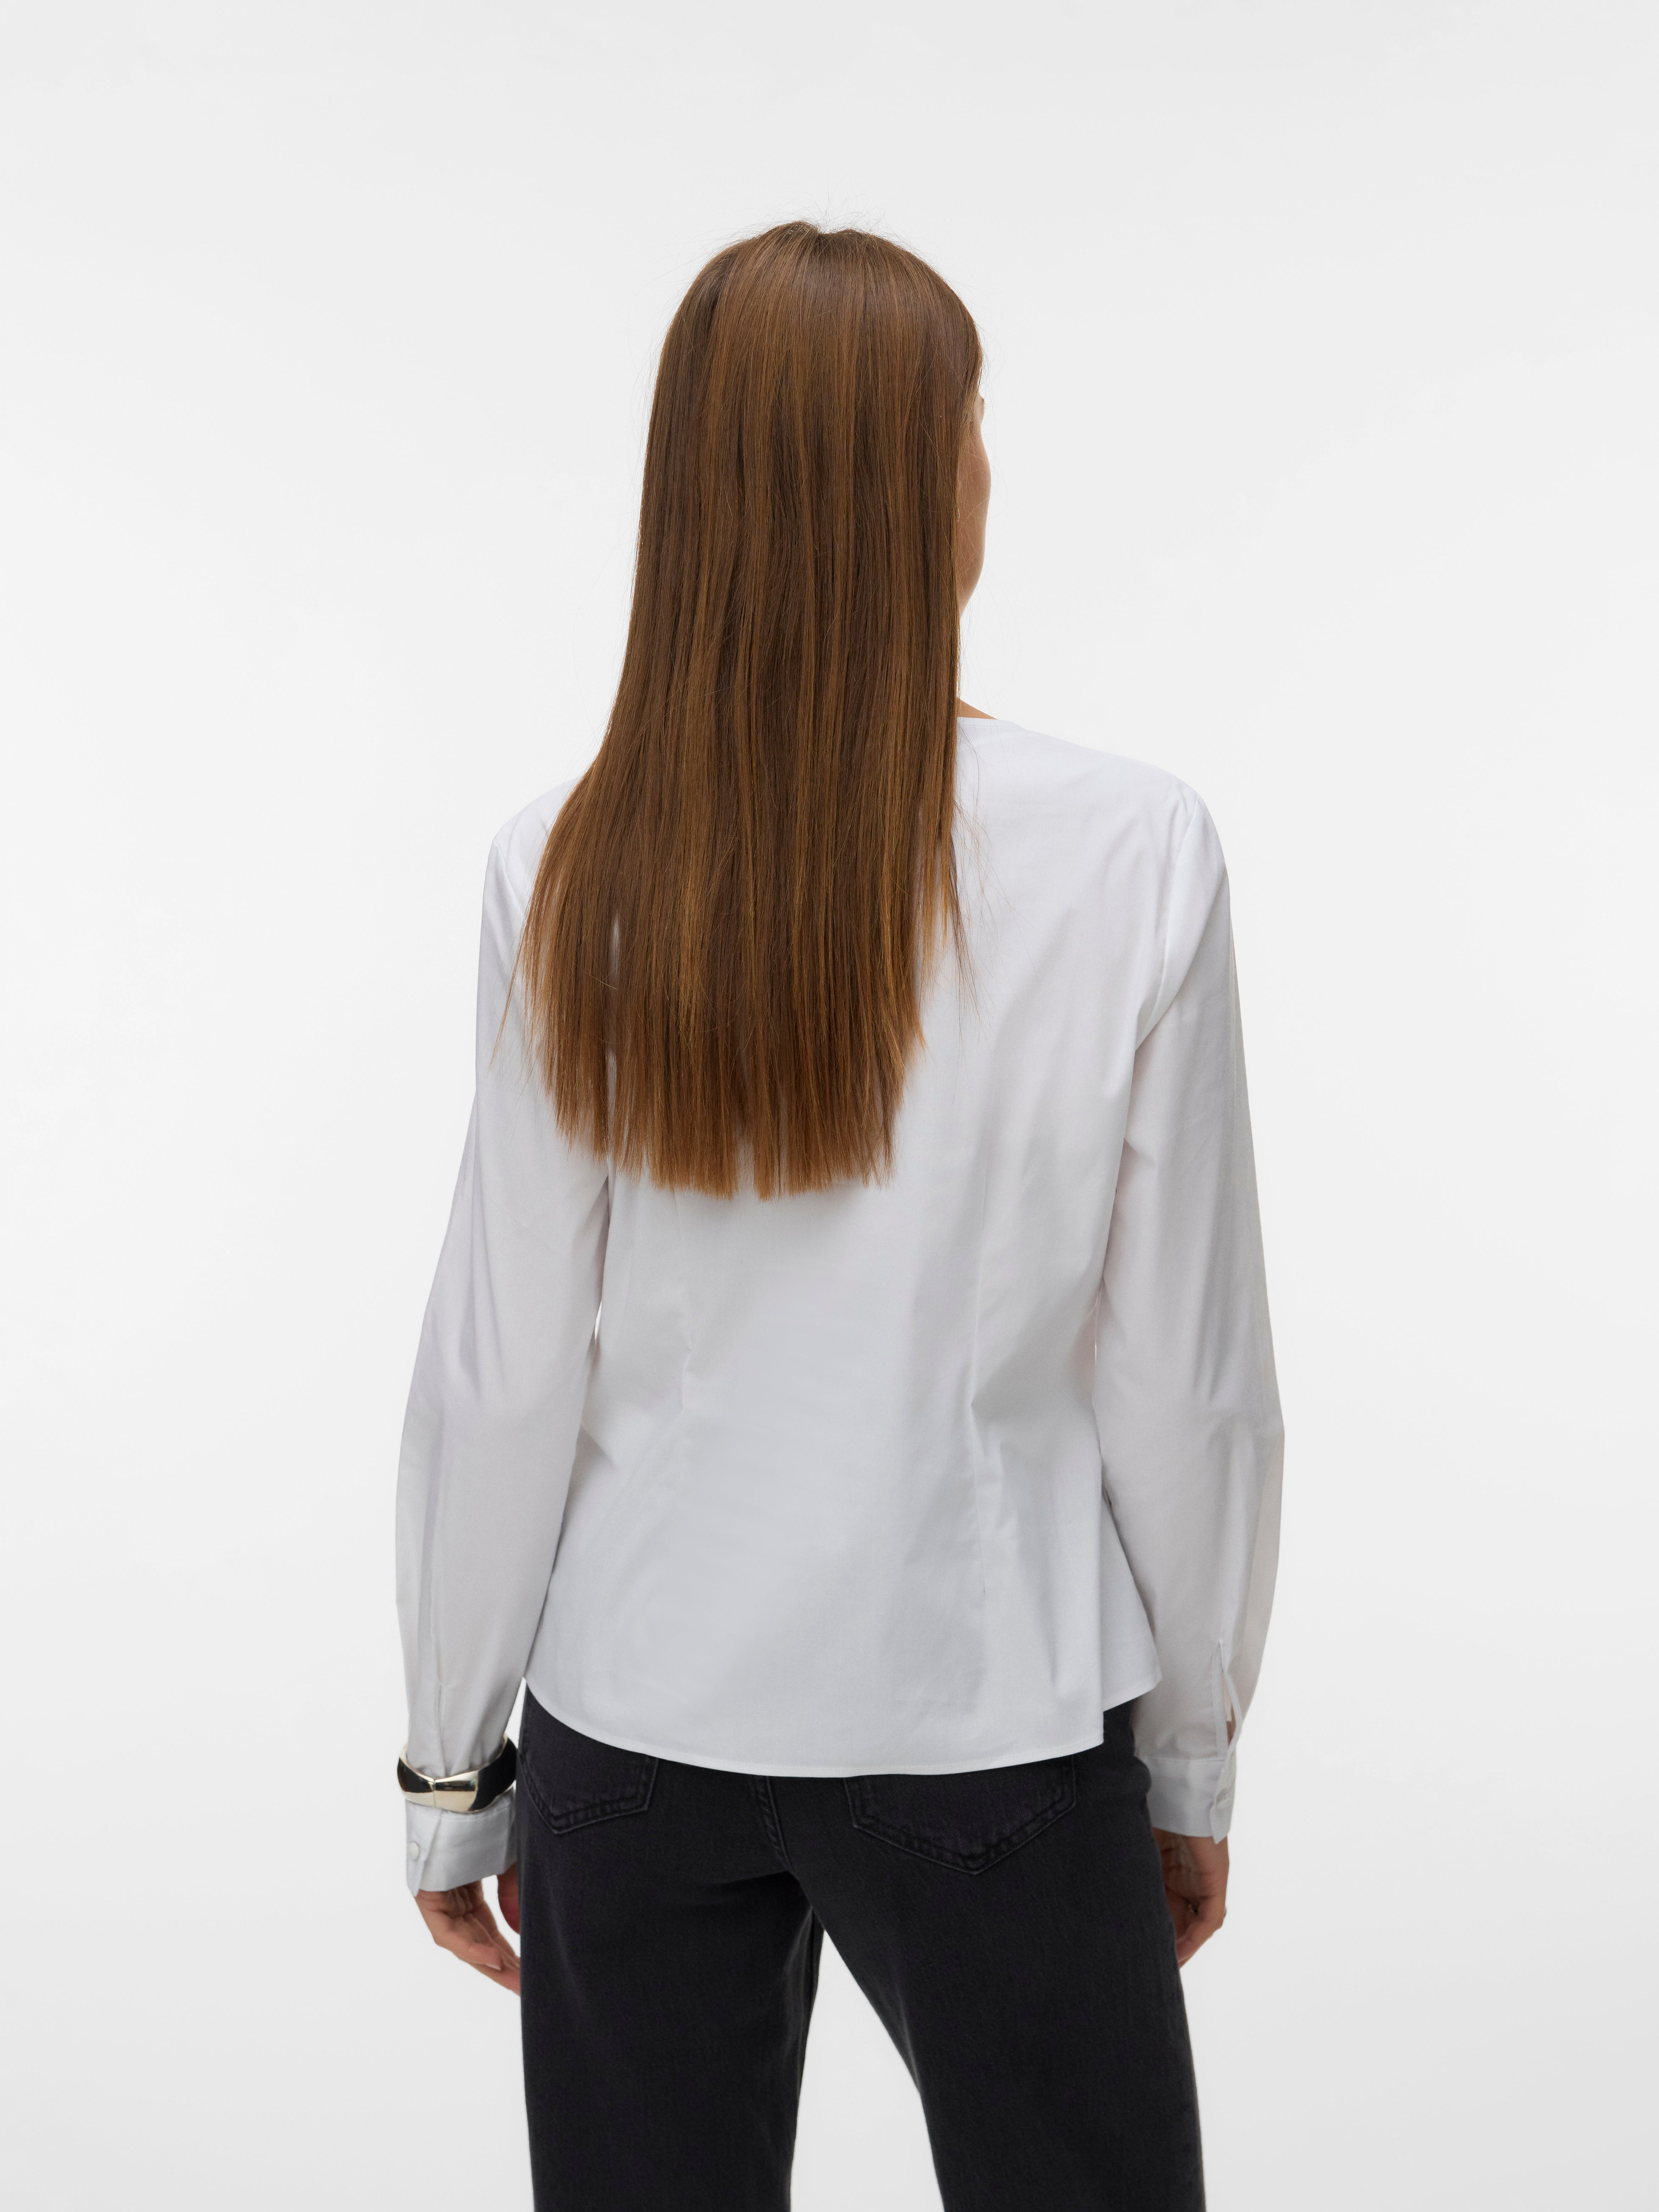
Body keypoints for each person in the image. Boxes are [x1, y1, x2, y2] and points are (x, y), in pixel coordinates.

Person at [395, 221, 1282, 2212]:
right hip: (992, 1723)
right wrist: (1193, 1751)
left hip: (635, 1730)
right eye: (973, 425)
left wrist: (453, 1766)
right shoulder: (1130, 852)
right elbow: (1189, 1378)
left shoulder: (568, 859)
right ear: (916, 486)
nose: (990, 469)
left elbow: (502, 1368)